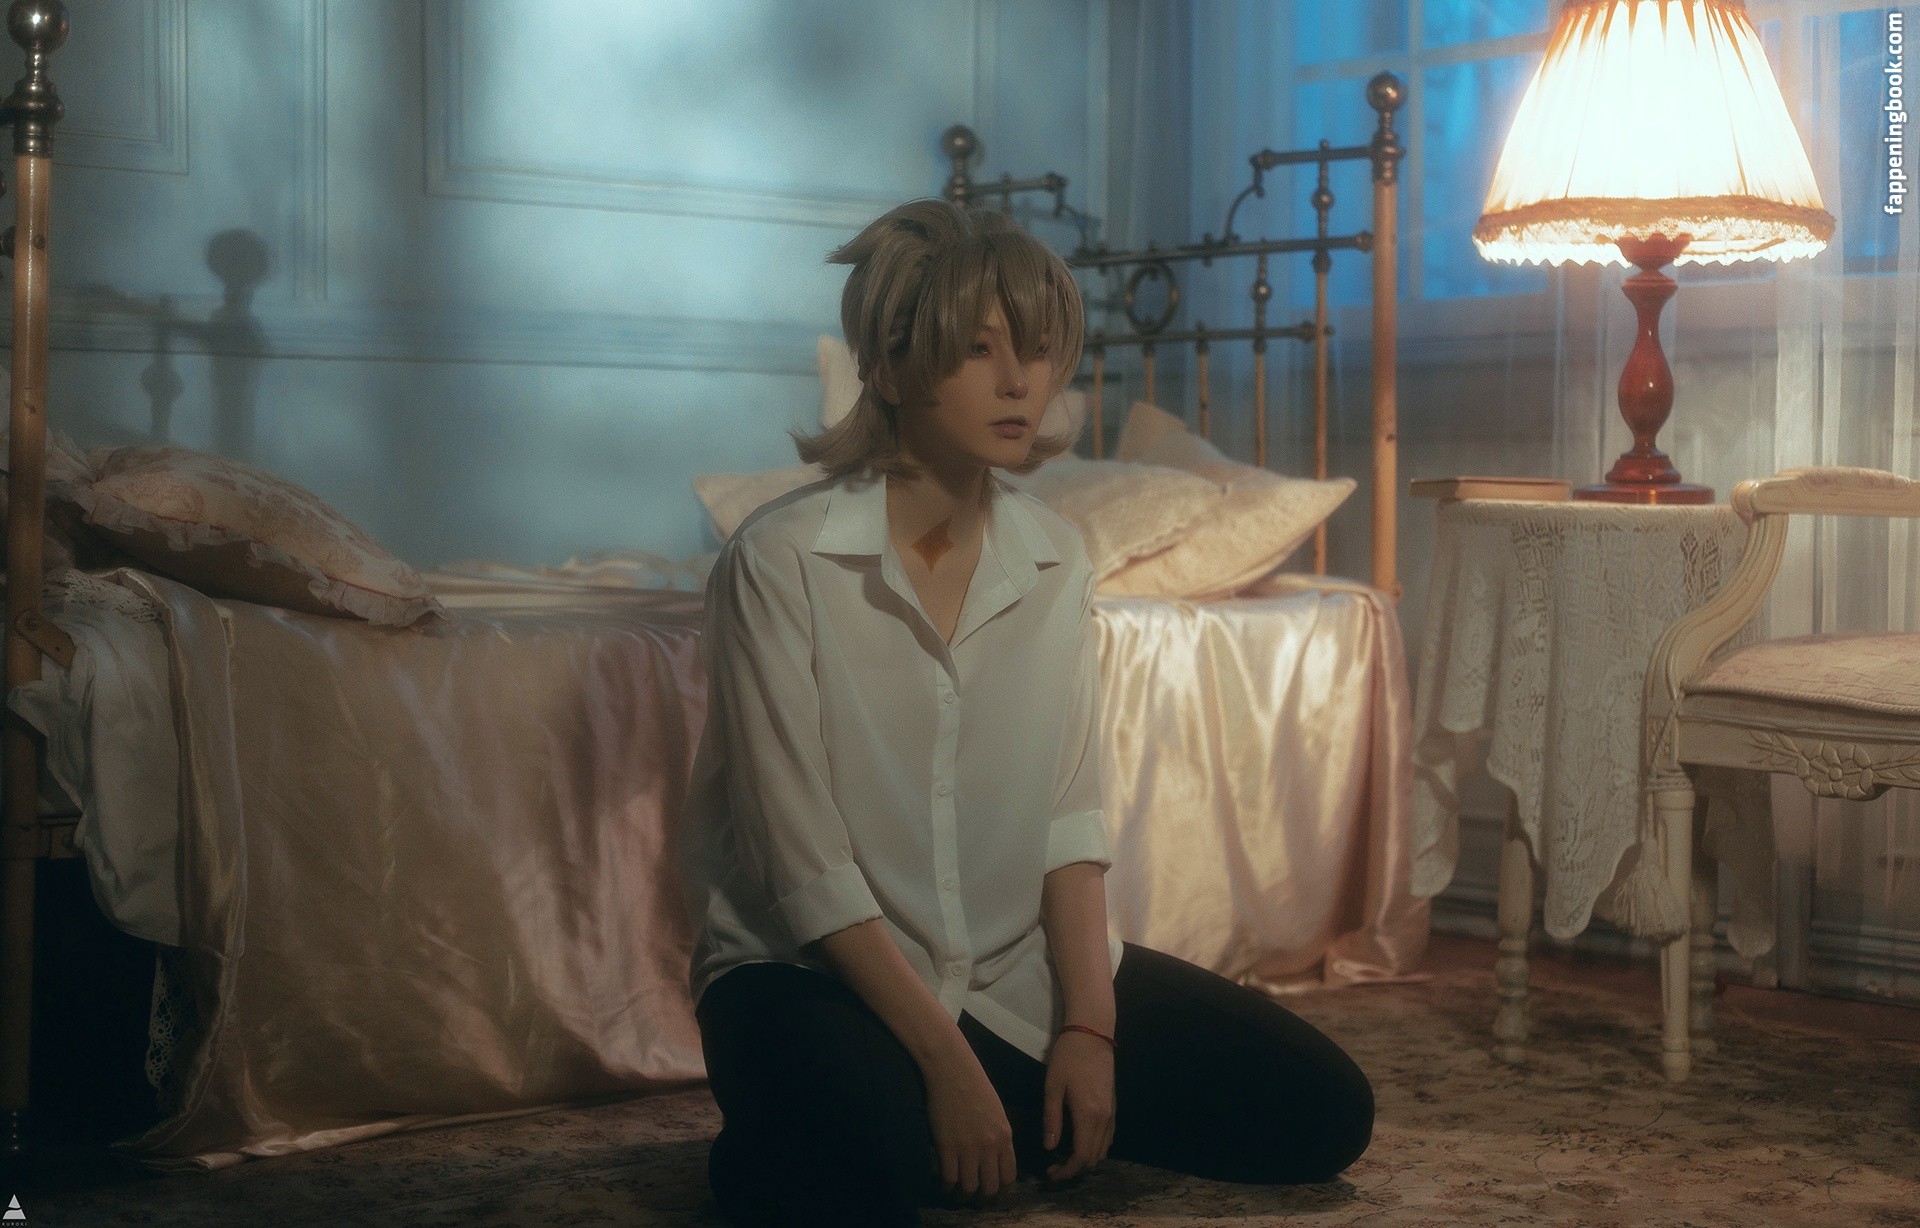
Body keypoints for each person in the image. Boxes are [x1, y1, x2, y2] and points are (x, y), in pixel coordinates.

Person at [677, 199, 1373, 1228]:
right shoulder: (780, 561)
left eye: (1038, 350)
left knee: (1323, 1111)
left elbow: (1068, 825)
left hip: (1012, 975)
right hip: (810, 976)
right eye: (977, 349)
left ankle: (986, 1112)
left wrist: (1089, 1029)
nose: (1020, 382)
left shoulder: (1057, 557)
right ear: (889, 368)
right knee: (866, 1175)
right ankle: (873, 1122)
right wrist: (946, 1065)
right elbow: (802, 868)